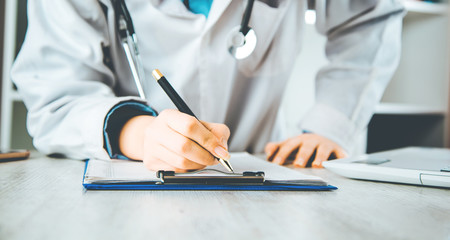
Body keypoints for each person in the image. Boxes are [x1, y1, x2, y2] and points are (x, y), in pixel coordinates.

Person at [11, 0, 404, 172]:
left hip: (257, 168)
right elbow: (56, 92)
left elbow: (369, 18)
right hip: (125, 178)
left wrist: (331, 123)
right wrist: (140, 133)